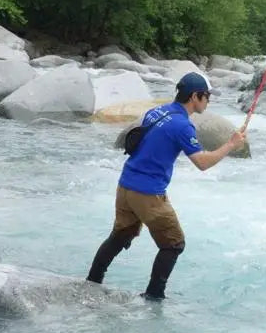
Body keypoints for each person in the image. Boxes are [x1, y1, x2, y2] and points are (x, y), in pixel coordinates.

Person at [87, 72, 247, 300]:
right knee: (174, 243)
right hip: (147, 193)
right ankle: (154, 297)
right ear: (195, 97)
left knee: (120, 236)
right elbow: (202, 163)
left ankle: (92, 281)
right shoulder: (183, 125)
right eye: (206, 97)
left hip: (125, 186)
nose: (208, 101)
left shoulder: (156, 111)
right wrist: (231, 144)